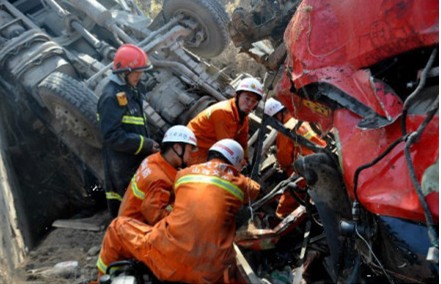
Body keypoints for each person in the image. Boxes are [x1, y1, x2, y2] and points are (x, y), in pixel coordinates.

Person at [96, 139, 261, 283]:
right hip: (209, 273)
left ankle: (100, 280)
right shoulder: (240, 183)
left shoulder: (183, 174)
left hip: (168, 261)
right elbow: (256, 190)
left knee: (117, 226)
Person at [97, 43, 160, 218]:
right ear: (124, 72)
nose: (140, 76)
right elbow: (110, 136)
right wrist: (145, 144)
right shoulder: (111, 97)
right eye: (137, 72)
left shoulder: (130, 90)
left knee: (139, 205)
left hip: (134, 158)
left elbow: (137, 124)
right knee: (126, 208)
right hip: (121, 165)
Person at [118, 125, 197, 225]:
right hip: (134, 231)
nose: (190, 157)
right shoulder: (159, 179)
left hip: (125, 221)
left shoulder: (153, 159)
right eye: (189, 151)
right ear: (177, 148)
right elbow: (156, 218)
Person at [264, 97, 326, 218]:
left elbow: (284, 160)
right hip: (326, 157)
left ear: (277, 116)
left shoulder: (285, 130)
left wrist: (281, 166)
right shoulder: (303, 118)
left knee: (288, 195)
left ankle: (280, 221)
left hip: (310, 168)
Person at [187, 77, 264, 165]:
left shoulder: (243, 118)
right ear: (237, 96)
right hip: (193, 153)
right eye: (247, 99)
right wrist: (240, 164)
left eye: (253, 101)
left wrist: (246, 161)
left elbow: (242, 143)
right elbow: (226, 149)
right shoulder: (223, 112)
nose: (249, 104)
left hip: (206, 151)